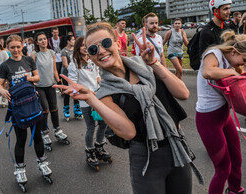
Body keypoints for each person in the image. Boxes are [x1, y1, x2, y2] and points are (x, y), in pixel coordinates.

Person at [54, 22, 196, 194]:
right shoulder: (105, 94)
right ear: (90, 58)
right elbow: (128, 133)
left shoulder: (146, 65)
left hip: (176, 146)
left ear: (117, 43)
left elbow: (183, 93)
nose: (101, 51)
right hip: (146, 159)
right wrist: (92, 99)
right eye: (93, 49)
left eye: (105, 43)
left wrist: (154, 64)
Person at [0, 35, 52, 189]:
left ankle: (42, 163)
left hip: (33, 104)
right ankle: (20, 169)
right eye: (12, 47)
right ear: (8, 48)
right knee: (21, 139)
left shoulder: (28, 60)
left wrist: (30, 78)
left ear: (22, 46)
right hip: (18, 108)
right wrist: (2, 91)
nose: (15, 50)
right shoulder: (5, 66)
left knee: (37, 137)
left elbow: (38, 77)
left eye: (18, 47)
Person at [196, 31, 246, 194]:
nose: (243, 64)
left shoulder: (232, 61)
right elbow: (207, 72)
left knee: (236, 159)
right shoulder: (214, 53)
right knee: (223, 168)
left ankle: (235, 190)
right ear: (233, 52)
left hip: (224, 116)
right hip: (208, 119)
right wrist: (232, 72)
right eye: (244, 59)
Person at [68, 37, 111, 170]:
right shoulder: (74, 63)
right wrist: (86, 92)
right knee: (91, 127)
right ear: (77, 48)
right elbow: (73, 83)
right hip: (86, 100)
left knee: (103, 123)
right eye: (82, 46)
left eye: (86, 45)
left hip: (98, 96)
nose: (85, 48)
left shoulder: (92, 59)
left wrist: (101, 83)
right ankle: (90, 151)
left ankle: (99, 146)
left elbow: (97, 75)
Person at [32, 32, 69, 151]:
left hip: (51, 85)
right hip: (39, 86)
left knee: (54, 108)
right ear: (37, 42)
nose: (43, 41)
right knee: (45, 110)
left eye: (44, 39)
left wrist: (59, 83)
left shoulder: (51, 52)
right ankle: (45, 133)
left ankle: (57, 130)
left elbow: (54, 69)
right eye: (40, 39)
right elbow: (31, 71)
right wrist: (32, 85)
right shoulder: (34, 54)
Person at [60, 35, 83, 120]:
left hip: (75, 74)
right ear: (68, 41)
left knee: (76, 91)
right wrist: (72, 69)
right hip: (66, 75)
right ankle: (66, 110)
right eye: (73, 40)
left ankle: (77, 109)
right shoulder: (64, 51)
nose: (74, 41)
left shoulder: (75, 50)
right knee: (67, 93)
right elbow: (65, 64)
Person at [0, 42, 9, 107]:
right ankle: (3, 101)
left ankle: (11, 97)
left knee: (9, 85)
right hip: (0, 72)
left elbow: (8, 61)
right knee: (2, 86)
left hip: (7, 70)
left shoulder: (3, 52)